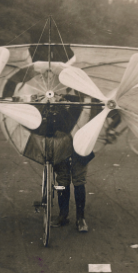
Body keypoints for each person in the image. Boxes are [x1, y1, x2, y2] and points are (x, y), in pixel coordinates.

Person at [15, 68, 96, 234]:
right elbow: (37, 124)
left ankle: (80, 218)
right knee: (63, 180)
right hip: (59, 146)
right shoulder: (43, 101)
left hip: (79, 144)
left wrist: (65, 104)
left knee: (79, 180)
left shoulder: (79, 99)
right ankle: (63, 215)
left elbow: (86, 116)